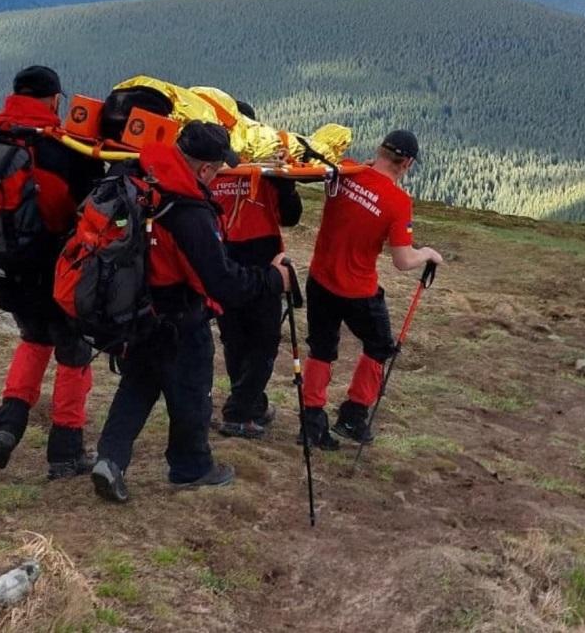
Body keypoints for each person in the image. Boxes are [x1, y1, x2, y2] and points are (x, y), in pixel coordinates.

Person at [91, 121, 290, 503]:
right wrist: (273, 279)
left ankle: (110, 457)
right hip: (180, 315)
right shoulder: (188, 210)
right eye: (217, 168)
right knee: (193, 391)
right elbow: (223, 283)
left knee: (137, 384)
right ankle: (191, 467)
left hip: (135, 308)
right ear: (204, 170)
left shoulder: (139, 177)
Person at [0, 65, 103, 479]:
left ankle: (7, 428)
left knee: (33, 342)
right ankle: (66, 451)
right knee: (73, 356)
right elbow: (90, 206)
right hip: (60, 273)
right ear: (54, 101)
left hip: (8, 271)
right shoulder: (63, 151)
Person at [300, 129, 443, 449]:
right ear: (406, 163)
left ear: (379, 151)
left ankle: (311, 421)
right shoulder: (398, 202)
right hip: (357, 290)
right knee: (379, 346)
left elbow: (342, 185)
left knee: (321, 348)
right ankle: (353, 415)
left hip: (319, 279)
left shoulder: (346, 171)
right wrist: (428, 253)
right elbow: (403, 261)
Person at [210, 100, 303, 438]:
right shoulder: (263, 169)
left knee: (235, 337)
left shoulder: (212, 164)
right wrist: (285, 182)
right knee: (263, 339)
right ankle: (239, 413)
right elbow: (290, 216)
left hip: (222, 254)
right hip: (260, 253)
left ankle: (253, 405)